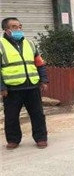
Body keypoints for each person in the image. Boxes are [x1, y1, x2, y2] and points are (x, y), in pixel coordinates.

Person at [0, 17, 49, 150]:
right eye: (14, 27)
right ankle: (13, 140)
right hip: (12, 88)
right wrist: (2, 87)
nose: (19, 29)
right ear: (6, 30)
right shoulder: (1, 45)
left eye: (20, 26)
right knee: (11, 116)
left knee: (37, 114)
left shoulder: (30, 43)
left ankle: (41, 138)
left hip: (32, 86)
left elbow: (39, 63)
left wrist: (43, 80)